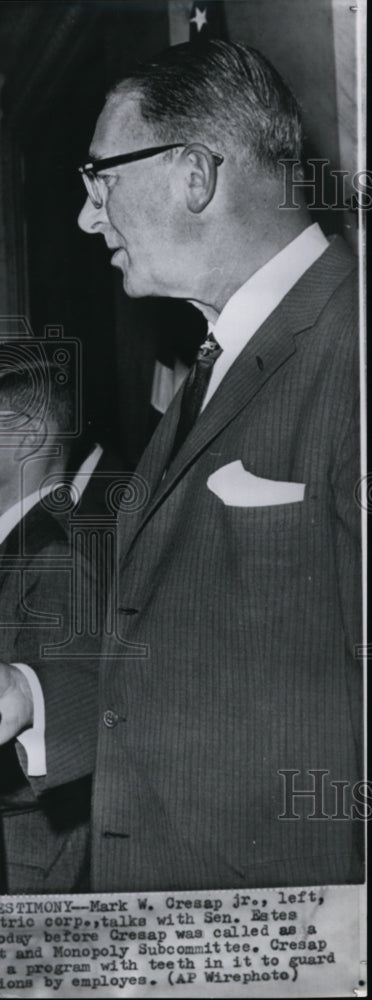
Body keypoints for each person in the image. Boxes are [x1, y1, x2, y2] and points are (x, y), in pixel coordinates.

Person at [0, 40, 363, 891]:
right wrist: (28, 694)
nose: (89, 219)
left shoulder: (353, 347)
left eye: (102, 180)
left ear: (194, 174)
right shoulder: (212, 365)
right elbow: (175, 663)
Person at [0, 352, 99, 892]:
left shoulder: (56, 555)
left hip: (28, 862)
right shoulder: (25, 544)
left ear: (29, 436)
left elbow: (76, 729)